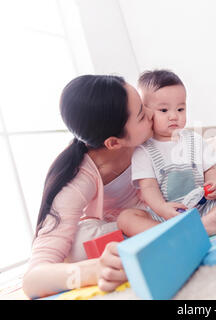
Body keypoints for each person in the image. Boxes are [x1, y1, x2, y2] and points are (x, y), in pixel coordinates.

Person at [22, 75, 154, 298]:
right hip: (114, 234)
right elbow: (33, 280)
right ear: (113, 142)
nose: (151, 114)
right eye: (141, 114)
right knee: (79, 242)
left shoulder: (147, 138)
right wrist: (97, 269)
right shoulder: (77, 180)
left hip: (152, 217)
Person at [116, 70, 216, 238]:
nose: (174, 116)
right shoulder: (143, 150)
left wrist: (213, 183)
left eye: (180, 109)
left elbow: (209, 170)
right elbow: (148, 187)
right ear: (147, 112)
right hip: (166, 216)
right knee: (126, 218)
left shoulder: (194, 140)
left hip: (202, 207)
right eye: (164, 110)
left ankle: (208, 222)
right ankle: (175, 233)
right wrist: (162, 208)